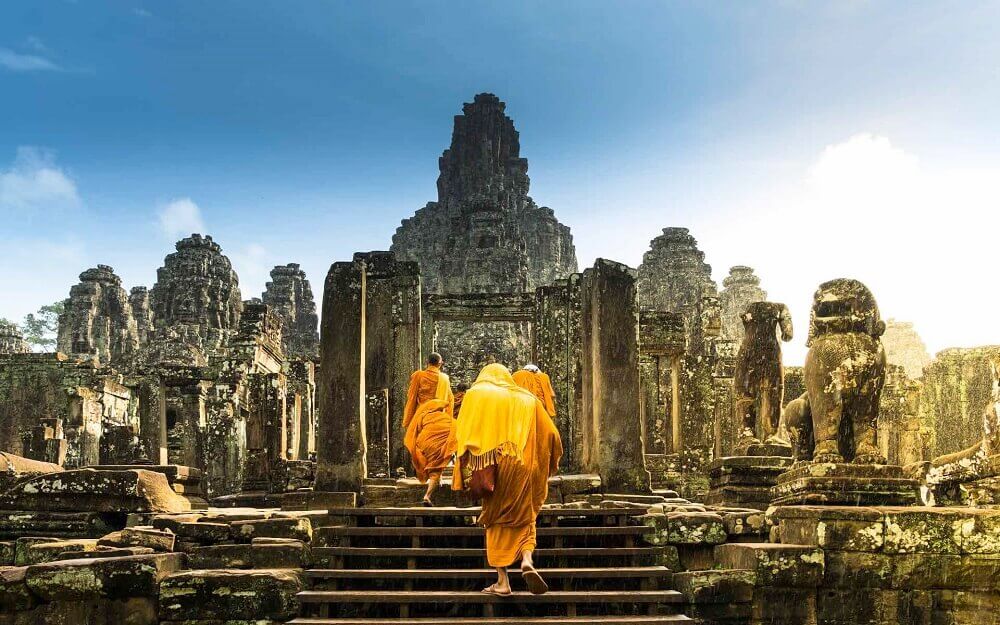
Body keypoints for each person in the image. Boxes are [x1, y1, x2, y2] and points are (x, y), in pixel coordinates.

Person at [452, 363, 562, 596]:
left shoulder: (477, 394)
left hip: (497, 466)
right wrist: (547, 464)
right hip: (527, 466)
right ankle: (526, 560)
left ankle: (502, 581)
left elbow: (464, 433)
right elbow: (552, 434)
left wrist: (465, 470)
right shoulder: (527, 399)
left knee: (495, 520)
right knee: (526, 516)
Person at [403, 352, 455, 506]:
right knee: (438, 456)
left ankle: (427, 479)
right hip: (440, 418)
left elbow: (411, 398)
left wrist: (408, 420)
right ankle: (432, 484)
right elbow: (449, 401)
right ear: (440, 364)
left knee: (421, 449)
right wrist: (449, 421)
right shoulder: (445, 379)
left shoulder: (418, 376)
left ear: (428, 362)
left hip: (423, 418)